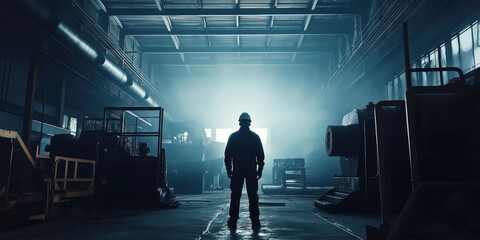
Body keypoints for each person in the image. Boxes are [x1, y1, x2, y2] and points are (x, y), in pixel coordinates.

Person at [224, 112, 265, 230]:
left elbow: (227, 155)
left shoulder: (233, 136)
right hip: (251, 170)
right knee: (253, 196)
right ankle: (255, 221)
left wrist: (229, 169)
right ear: (249, 123)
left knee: (235, 196)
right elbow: (260, 155)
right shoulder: (255, 137)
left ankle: (233, 221)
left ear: (240, 122)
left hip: (237, 170)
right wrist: (260, 169)